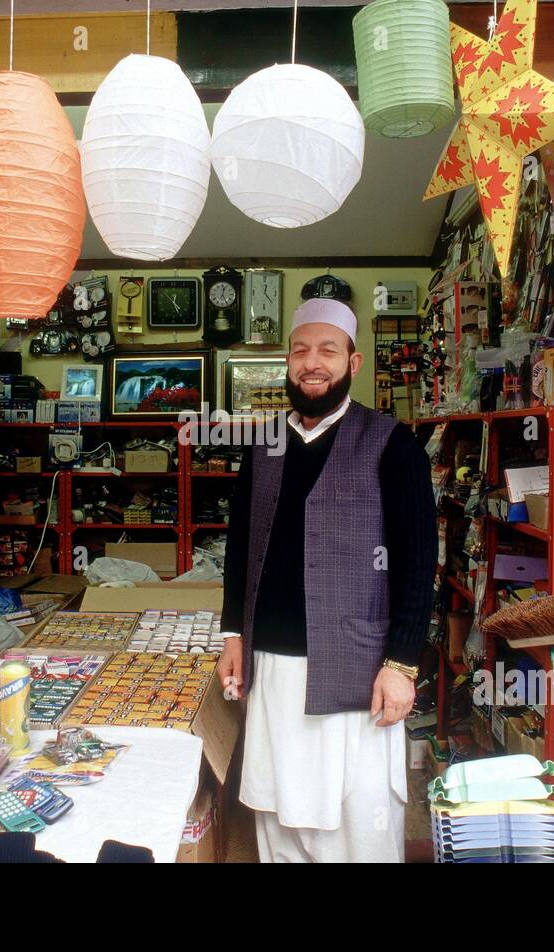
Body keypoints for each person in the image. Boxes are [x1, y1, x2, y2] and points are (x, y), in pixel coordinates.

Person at [217, 297, 437, 863]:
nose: (312, 363)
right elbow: (241, 545)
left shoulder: (392, 443)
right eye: (301, 351)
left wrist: (402, 664)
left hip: (358, 670)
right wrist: (232, 636)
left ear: (353, 362)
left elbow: (418, 561)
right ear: (287, 361)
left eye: (327, 351)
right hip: (272, 668)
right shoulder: (264, 442)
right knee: (278, 816)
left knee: (356, 824)